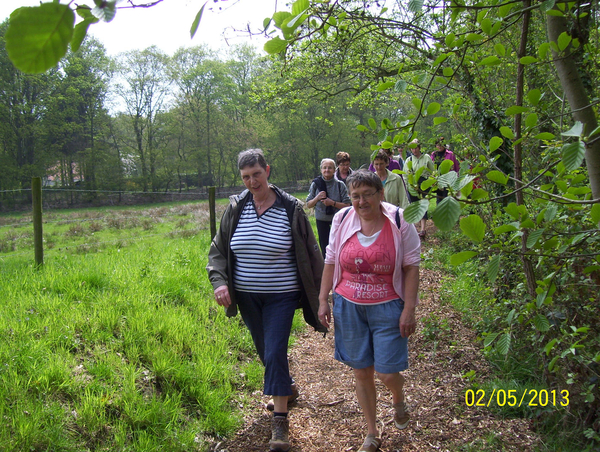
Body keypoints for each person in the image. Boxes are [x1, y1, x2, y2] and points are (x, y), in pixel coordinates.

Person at [206, 149, 326, 452]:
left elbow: (312, 252)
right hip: (246, 297)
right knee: (266, 351)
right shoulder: (235, 209)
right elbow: (218, 251)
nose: (252, 181)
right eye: (246, 177)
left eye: (256, 174)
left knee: (274, 350)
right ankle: (286, 387)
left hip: (281, 296)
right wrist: (220, 282)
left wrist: (325, 295)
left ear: (267, 171)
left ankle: (280, 424)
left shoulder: (290, 208)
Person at [318, 170, 420, 452]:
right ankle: (372, 432)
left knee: (387, 373)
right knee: (361, 371)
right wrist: (323, 299)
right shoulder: (341, 218)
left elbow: (411, 267)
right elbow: (330, 260)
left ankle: (398, 398)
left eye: (367, 194)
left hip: (388, 306)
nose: (361, 201)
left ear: (380, 194)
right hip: (349, 306)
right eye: (355, 196)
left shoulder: (399, 221)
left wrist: (409, 309)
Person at [306, 158, 351, 258]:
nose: (327, 170)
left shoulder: (340, 185)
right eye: (324, 168)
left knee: (339, 246)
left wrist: (332, 203)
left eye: (330, 168)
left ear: (335, 170)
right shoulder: (316, 184)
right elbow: (309, 204)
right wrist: (317, 198)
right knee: (324, 247)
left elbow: (348, 205)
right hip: (321, 220)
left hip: (338, 220)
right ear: (321, 169)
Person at [405, 139, 434, 238]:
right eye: (412, 148)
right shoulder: (409, 160)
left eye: (416, 148)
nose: (414, 150)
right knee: (414, 206)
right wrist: (406, 186)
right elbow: (405, 174)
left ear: (419, 147)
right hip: (413, 185)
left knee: (423, 205)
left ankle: (423, 229)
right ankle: (414, 229)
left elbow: (432, 171)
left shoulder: (426, 158)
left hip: (424, 184)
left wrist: (432, 182)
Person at [431, 137, 460, 206]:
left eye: (441, 144)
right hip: (438, 180)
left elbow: (456, 167)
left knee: (448, 198)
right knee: (439, 199)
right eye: (438, 145)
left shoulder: (450, 154)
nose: (440, 147)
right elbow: (431, 166)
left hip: (448, 180)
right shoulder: (433, 155)